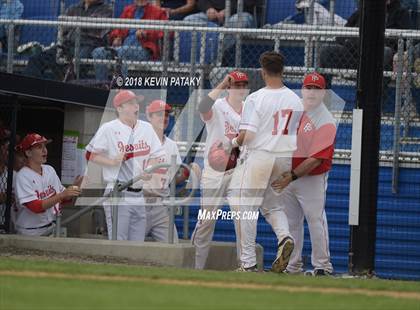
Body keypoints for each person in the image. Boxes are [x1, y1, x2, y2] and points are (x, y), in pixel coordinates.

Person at [228, 51, 303, 272]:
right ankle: (285, 237)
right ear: (282, 70)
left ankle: (248, 263)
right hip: (284, 158)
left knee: (245, 208)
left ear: (263, 71)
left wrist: (232, 142)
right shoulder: (296, 100)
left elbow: (247, 136)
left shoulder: (255, 98)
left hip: (260, 155)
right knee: (272, 206)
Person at [272, 72, 336, 276]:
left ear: (324, 93)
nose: (311, 92)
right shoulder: (292, 109)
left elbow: (316, 159)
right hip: (288, 174)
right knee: (291, 222)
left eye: (317, 89)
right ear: (302, 89)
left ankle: (323, 266)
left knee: (315, 219)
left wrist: (290, 176)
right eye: (308, 87)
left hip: (312, 177)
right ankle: (293, 266)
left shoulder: (326, 120)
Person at [85, 90, 166, 241]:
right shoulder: (108, 128)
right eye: (130, 103)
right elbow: (89, 154)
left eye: (136, 103)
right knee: (118, 241)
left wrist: (150, 169)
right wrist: (111, 161)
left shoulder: (147, 128)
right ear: (119, 108)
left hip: (139, 194)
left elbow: (156, 155)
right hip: (118, 191)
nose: (136, 106)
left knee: (137, 243)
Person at [191, 70, 249, 269]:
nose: (240, 88)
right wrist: (223, 83)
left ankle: (245, 265)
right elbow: (202, 106)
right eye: (236, 85)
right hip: (215, 171)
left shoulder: (250, 109)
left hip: (238, 170)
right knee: (207, 220)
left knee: (242, 218)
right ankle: (196, 267)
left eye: (244, 85)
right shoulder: (218, 106)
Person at [144, 100, 200, 242]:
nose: (164, 118)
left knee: (172, 244)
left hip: (161, 206)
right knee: (131, 247)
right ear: (149, 117)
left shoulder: (171, 145)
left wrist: (188, 173)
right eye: (159, 115)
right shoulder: (140, 141)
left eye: (167, 115)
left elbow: (173, 178)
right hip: (140, 203)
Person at [319, 0, 410, 88]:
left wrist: (362, 43)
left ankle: (373, 100)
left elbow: (399, 43)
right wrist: (356, 44)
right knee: (327, 50)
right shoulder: (361, 12)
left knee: (385, 51)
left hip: (378, 63)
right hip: (355, 58)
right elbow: (341, 37)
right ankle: (324, 99)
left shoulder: (401, 13)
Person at [23, 0, 112, 81]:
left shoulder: (106, 10)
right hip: (68, 44)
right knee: (36, 59)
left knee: (76, 65)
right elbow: (64, 28)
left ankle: (68, 84)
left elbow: (96, 30)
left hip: (89, 45)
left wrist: (76, 26)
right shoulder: (73, 8)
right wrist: (80, 26)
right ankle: (30, 87)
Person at [14, 133, 82, 236]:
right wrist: (63, 195)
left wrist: (73, 190)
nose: (44, 150)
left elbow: (63, 200)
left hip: (51, 227)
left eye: (45, 146)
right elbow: (35, 207)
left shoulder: (49, 170)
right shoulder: (22, 176)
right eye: (39, 147)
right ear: (28, 152)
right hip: (30, 232)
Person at [91, 0, 167, 81]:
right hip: (122, 48)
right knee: (98, 52)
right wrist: (118, 37)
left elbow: (165, 32)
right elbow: (117, 28)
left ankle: (121, 87)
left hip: (144, 50)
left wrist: (146, 33)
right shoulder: (128, 10)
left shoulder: (159, 12)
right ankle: (102, 84)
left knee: (123, 52)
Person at [183, 0, 256, 27]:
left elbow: (249, 3)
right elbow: (200, 1)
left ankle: (215, 53)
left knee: (238, 21)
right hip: (213, 16)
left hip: (238, 14)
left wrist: (229, 10)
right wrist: (208, 9)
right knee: (189, 20)